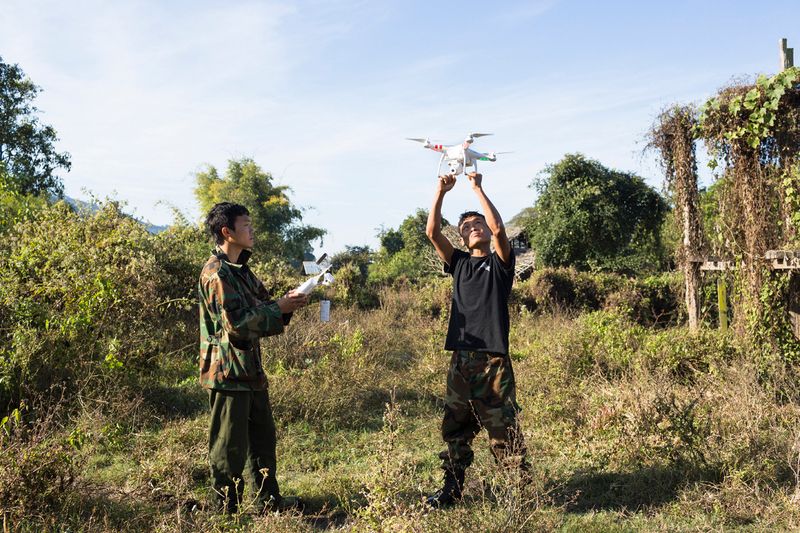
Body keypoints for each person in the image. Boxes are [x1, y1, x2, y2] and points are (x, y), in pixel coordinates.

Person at [424, 172, 528, 508]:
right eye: (466, 226)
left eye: (477, 223)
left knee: (502, 432)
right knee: (455, 429)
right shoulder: (458, 264)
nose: (473, 227)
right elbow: (432, 232)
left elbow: (499, 230)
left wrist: (477, 188)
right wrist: (440, 191)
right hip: (461, 360)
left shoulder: (500, 264)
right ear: (462, 237)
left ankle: (520, 495)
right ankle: (451, 490)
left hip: (493, 362)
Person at [198, 202, 309, 513]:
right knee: (228, 444)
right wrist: (279, 308)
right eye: (245, 225)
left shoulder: (241, 271)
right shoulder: (217, 273)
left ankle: (268, 500)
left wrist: (287, 302)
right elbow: (238, 324)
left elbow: (262, 306)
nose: (251, 230)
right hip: (227, 372)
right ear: (227, 232)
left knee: (262, 439)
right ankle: (224, 507)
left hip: (250, 370)